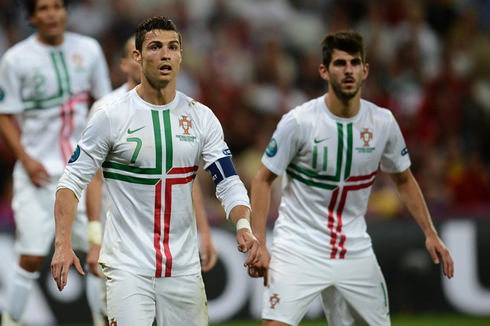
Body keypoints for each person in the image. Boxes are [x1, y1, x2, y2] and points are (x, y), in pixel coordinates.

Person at [50, 16, 261, 326]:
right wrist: (63, 244)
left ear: (180, 55)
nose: (165, 54)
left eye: (172, 47)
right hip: (128, 268)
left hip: (184, 270)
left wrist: (243, 223)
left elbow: (227, 180)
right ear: (137, 56)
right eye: (155, 47)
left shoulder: (201, 117)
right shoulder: (111, 116)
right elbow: (71, 181)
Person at [247, 30, 454, 326]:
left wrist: (430, 232)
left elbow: (404, 180)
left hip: (354, 250)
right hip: (298, 246)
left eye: (355, 63)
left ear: (365, 70)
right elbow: (262, 179)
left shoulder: (382, 123)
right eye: (340, 63)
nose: (348, 70)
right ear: (324, 70)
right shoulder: (298, 122)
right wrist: (260, 244)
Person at [85, 35, 218, 325]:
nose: (159, 57)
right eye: (150, 50)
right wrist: (94, 237)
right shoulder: (107, 109)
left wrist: (204, 231)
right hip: (120, 238)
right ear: (131, 60)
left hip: (171, 245)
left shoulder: (182, 110)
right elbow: (93, 179)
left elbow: (184, 176)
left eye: (167, 49)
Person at [0, 0, 112, 325]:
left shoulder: (88, 50)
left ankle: (101, 320)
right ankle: (11, 321)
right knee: (31, 257)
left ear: (65, 12)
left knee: (96, 257)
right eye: (44, 8)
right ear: (32, 16)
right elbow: (4, 115)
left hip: (81, 175)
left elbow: (105, 104)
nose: (52, 14)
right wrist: (25, 158)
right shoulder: (15, 59)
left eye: (58, 6)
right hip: (38, 173)